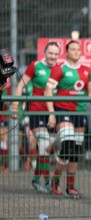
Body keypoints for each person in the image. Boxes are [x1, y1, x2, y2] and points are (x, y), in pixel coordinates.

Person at [44, 40, 91, 198]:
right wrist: (51, 113)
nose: (76, 51)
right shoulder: (59, 69)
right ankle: (55, 181)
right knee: (67, 147)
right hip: (63, 111)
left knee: (75, 151)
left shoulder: (87, 70)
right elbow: (48, 91)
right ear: (66, 52)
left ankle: (71, 187)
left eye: (78, 49)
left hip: (80, 114)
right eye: (72, 49)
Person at [11, 41, 61, 193]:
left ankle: (35, 179)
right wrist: (15, 106)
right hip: (36, 110)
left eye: (56, 54)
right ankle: (46, 182)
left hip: (54, 111)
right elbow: (20, 85)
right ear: (44, 53)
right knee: (44, 143)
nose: (53, 56)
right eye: (50, 53)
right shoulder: (35, 66)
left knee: (47, 147)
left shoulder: (60, 69)